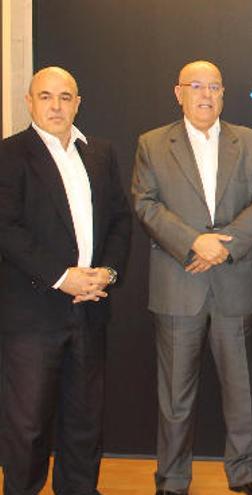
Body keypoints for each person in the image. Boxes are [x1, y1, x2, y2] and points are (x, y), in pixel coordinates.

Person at [131, 60, 252, 495]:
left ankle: (244, 473)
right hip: (179, 282)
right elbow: (146, 204)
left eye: (214, 86)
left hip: (234, 280)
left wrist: (223, 247)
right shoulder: (153, 144)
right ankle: (172, 478)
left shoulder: (250, 142)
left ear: (223, 93)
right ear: (178, 92)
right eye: (196, 86)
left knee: (241, 389)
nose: (205, 94)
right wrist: (196, 242)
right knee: (175, 393)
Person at [0, 66, 131, 494]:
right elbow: (8, 229)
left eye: (65, 97)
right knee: (29, 425)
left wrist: (105, 274)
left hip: (90, 307)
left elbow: (119, 221)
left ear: (78, 102)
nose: (56, 105)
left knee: (84, 422)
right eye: (45, 96)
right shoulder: (10, 154)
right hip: (33, 315)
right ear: (29, 102)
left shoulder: (100, 153)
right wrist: (63, 277)